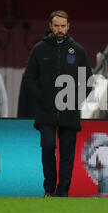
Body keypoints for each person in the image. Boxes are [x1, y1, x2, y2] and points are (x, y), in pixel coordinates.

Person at [23, 10, 93, 197]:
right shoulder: (39, 49)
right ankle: (49, 189)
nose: (60, 29)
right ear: (50, 26)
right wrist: (41, 100)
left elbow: (88, 81)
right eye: (56, 26)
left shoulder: (78, 50)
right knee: (47, 147)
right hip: (46, 112)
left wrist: (75, 100)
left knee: (67, 154)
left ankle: (62, 193)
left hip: (69, 111)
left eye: (63, 26)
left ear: (69, 27)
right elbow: (29, 78)